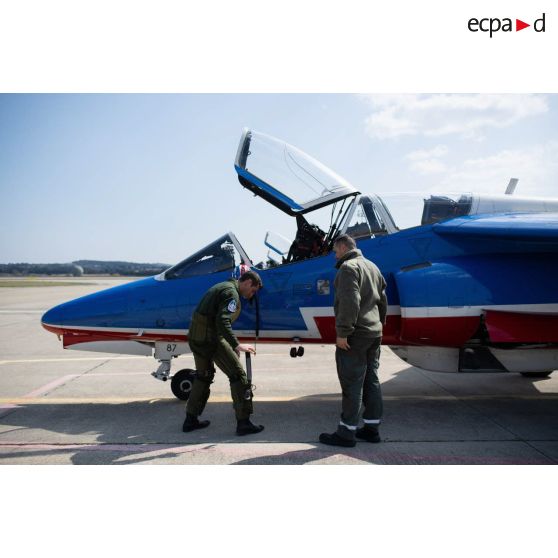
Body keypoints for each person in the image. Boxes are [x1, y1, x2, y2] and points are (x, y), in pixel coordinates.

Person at [319, 234, 387, 448]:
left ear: (342, 247)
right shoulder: (373, 266)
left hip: (355, 335)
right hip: (373, 332)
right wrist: (379, 324)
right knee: (371, 381)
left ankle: (346, 433)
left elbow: (350, 301)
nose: (334, 255)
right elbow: (382, 301)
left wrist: (343, 332)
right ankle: (371, 429)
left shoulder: (348, 268)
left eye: (335, 251)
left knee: (352, 383)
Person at [183, 270, 265, 436]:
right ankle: (244, 423)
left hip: (196, 337)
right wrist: (236, 345)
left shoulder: (223, 286)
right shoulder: (231, 294)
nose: (251, 295)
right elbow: (222, 320)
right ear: (248, 283)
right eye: (253, 290)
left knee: (203, 375)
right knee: (238, 375)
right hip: (210, 339)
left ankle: (190, 420)